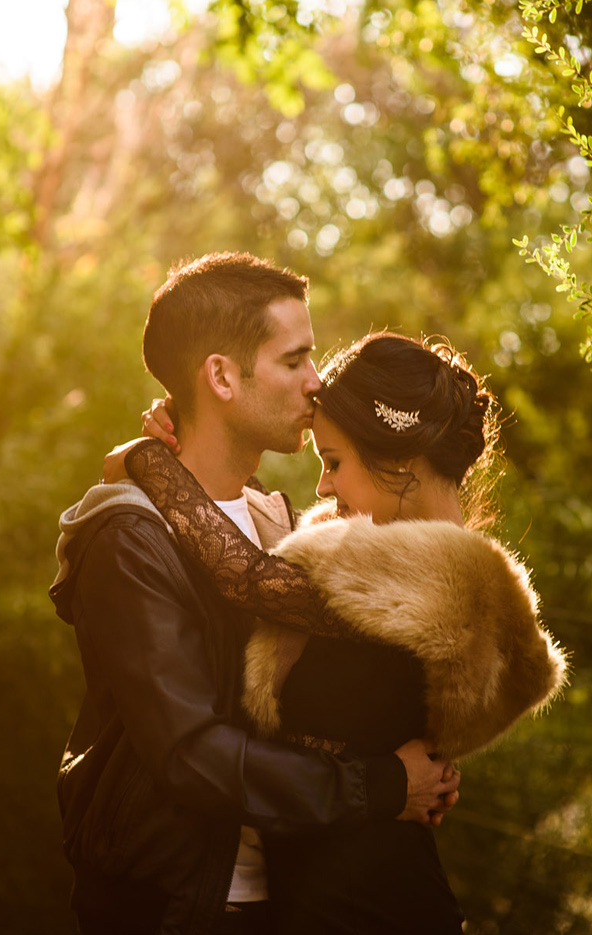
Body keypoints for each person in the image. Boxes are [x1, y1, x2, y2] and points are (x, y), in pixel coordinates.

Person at [50, 253, 461, 935]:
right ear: (221, 376)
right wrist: (383, 785)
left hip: (298, 899)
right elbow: (190, 754)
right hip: (185, 907)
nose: (317, 382)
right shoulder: (130, 537)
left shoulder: (279, 519)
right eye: (295, 359)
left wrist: (421, 765)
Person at [112, 332, 568, 934]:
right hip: (325, 897)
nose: (322, 487)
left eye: (333, 463)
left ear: (398, 461)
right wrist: (194, 432)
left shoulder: (452, 578)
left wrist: (150, 460)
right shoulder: (386, 562)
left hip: (375, 905)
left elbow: (245, 578)